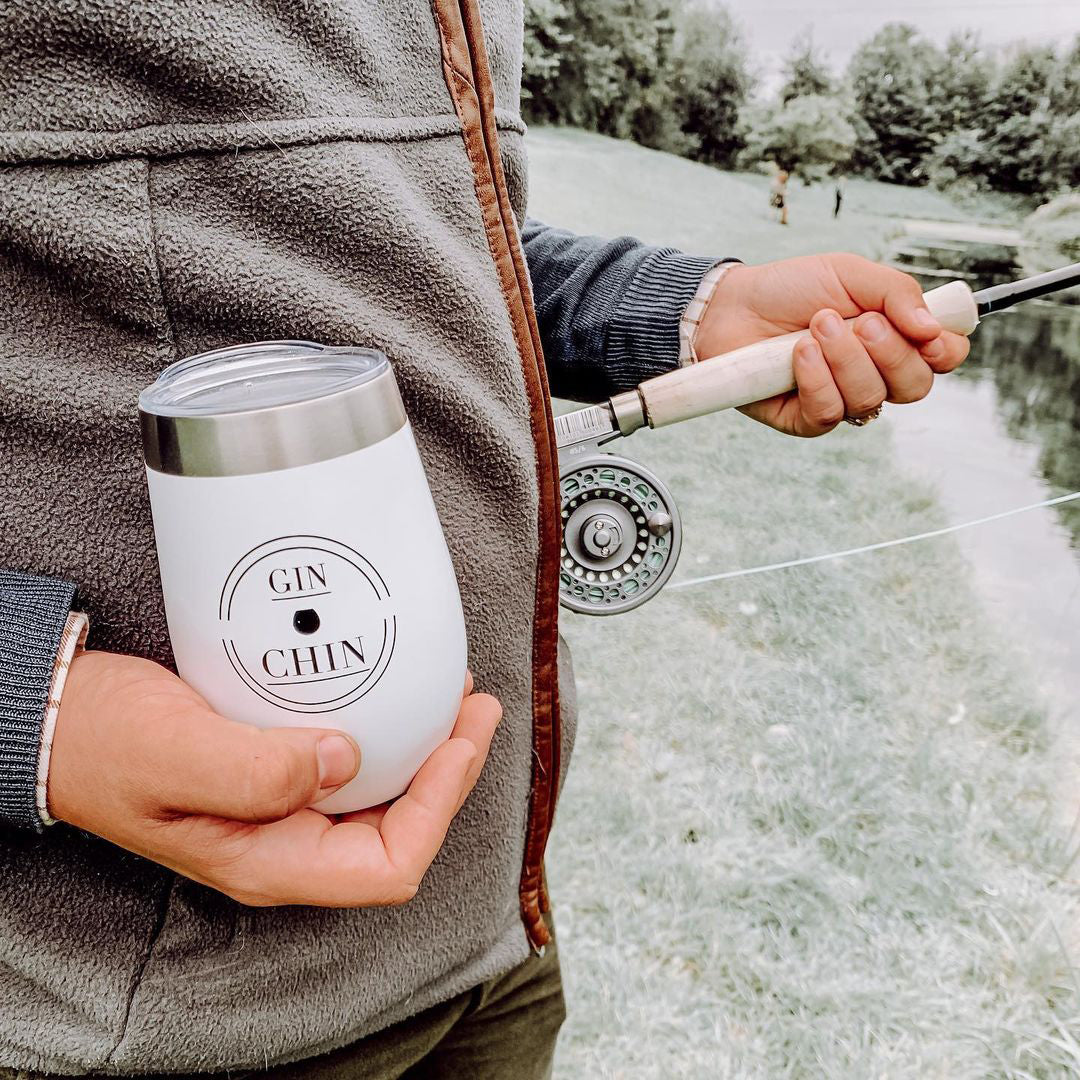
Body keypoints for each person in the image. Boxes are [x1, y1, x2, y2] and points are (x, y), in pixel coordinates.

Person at [0, 3, 971, 1078]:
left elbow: (420, 238)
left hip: (488, 945)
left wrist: (695, 311)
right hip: (152, 1027)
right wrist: (40, 714)